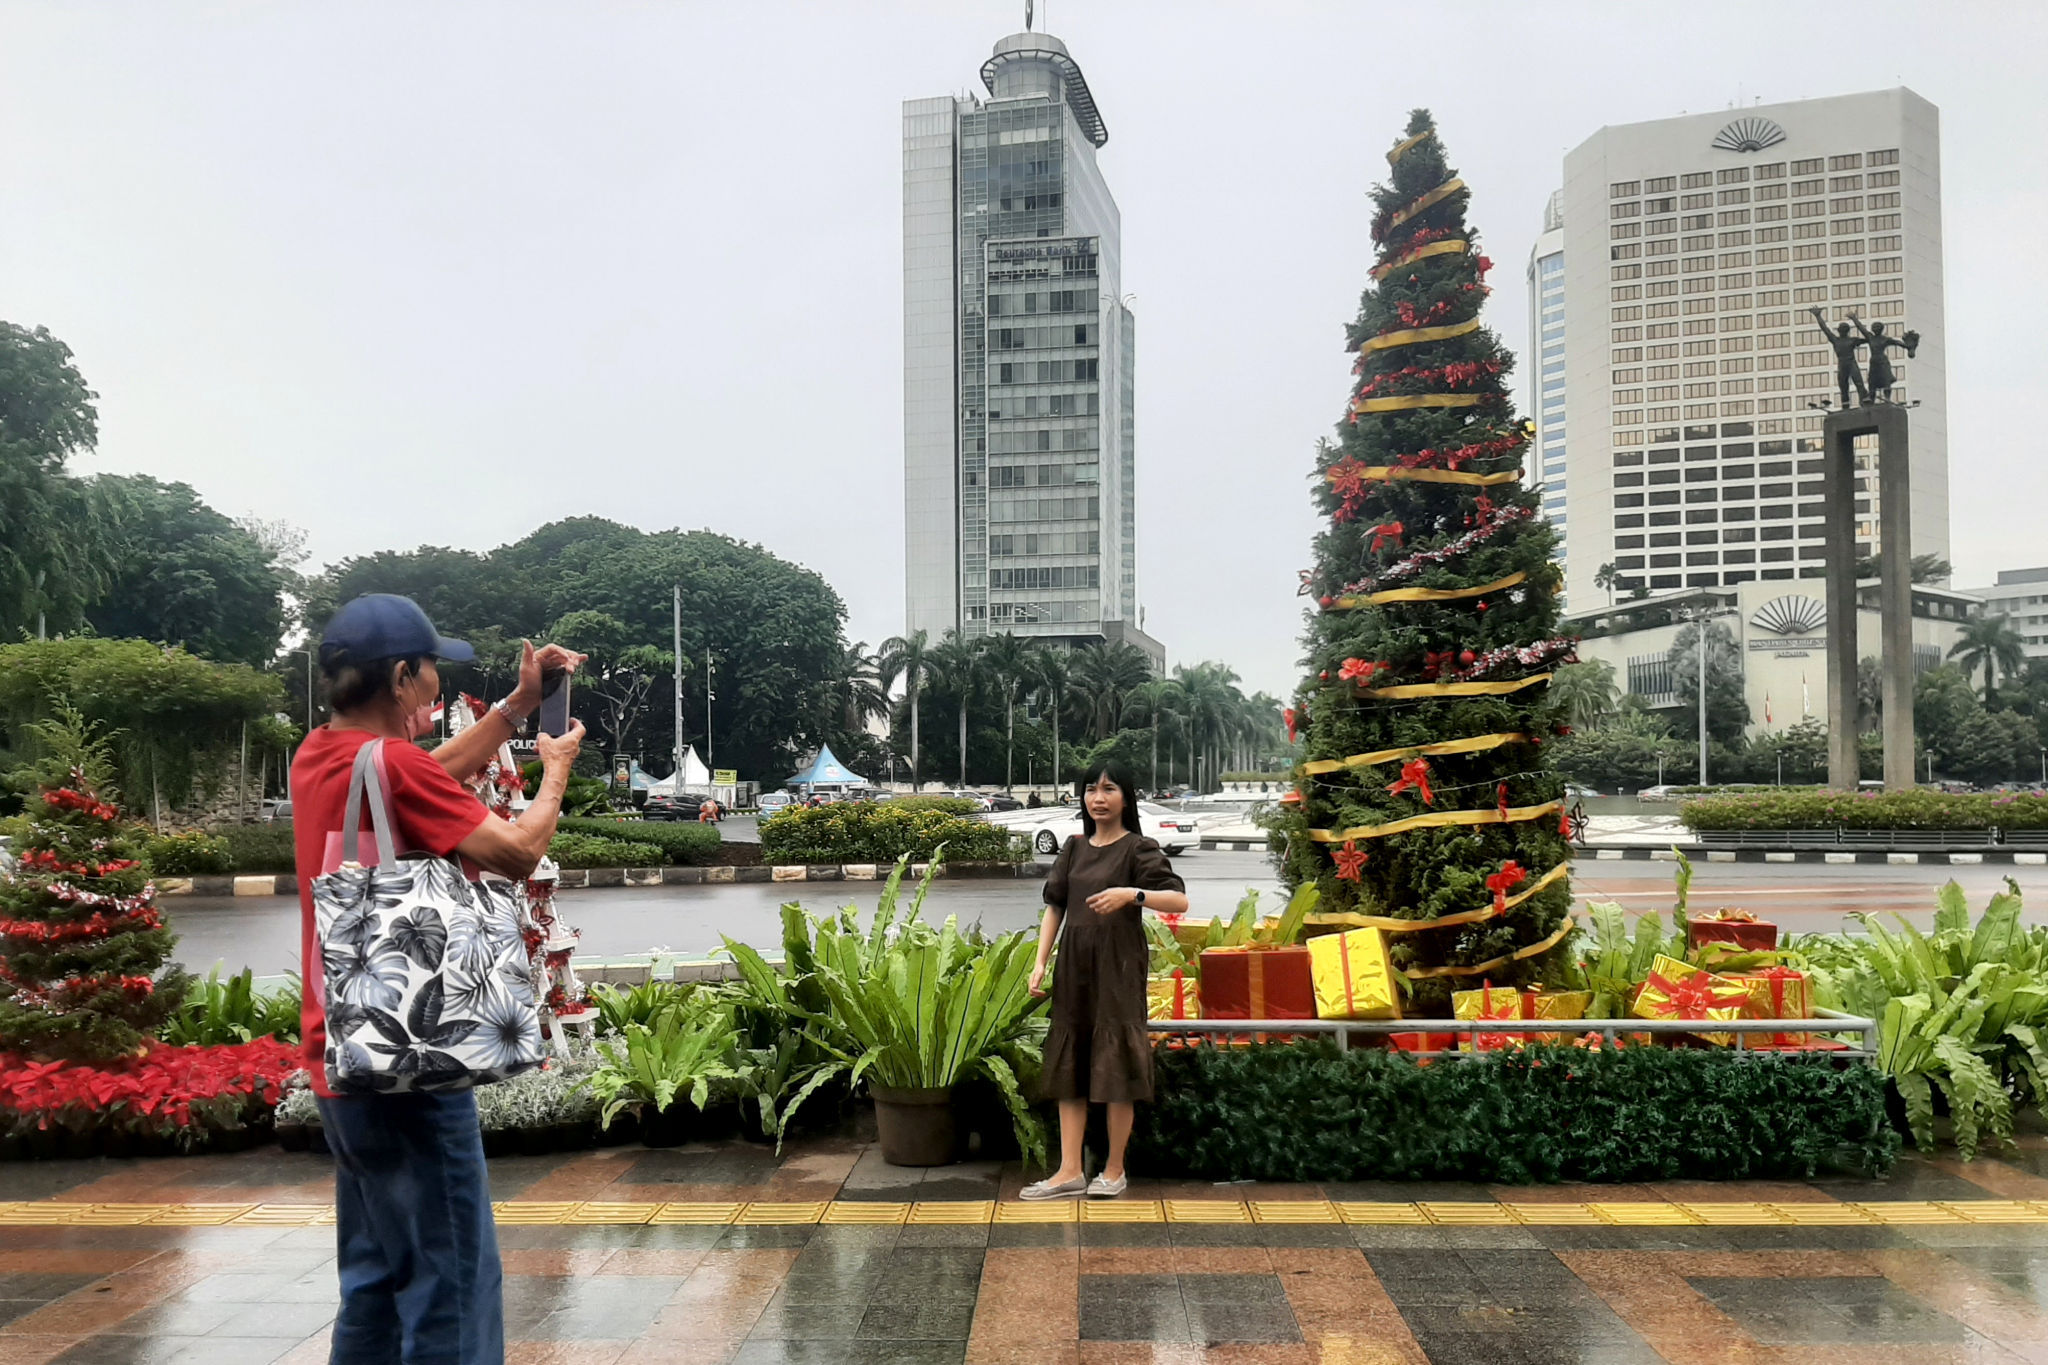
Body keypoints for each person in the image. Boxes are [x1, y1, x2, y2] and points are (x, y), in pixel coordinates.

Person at [291, 593, 586, 1365]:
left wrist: (518, 706)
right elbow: (518, 852)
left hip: (343, 1057)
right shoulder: (389, 765)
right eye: (429, 673)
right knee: (452, 1286)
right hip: (414, 1067)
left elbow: (418, 775)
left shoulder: (319, 753)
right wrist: (554, 770)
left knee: (376, 1282)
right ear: (399, 676)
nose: (435, 687)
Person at [1022, 762, 1189, 1200]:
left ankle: (1114, 1170)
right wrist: (1040, 962)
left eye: (1109, 789)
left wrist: (1131, 894)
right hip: (1074, 964)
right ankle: (1069, 1171)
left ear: (1126, 798)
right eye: (1090, 790)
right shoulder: (1074, 849)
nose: (1098, 797)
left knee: (1116, 1062)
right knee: (1070, 1059)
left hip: (1118, 964)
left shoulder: (1138, 848)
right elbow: (1055, 907)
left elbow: (1179, 898)